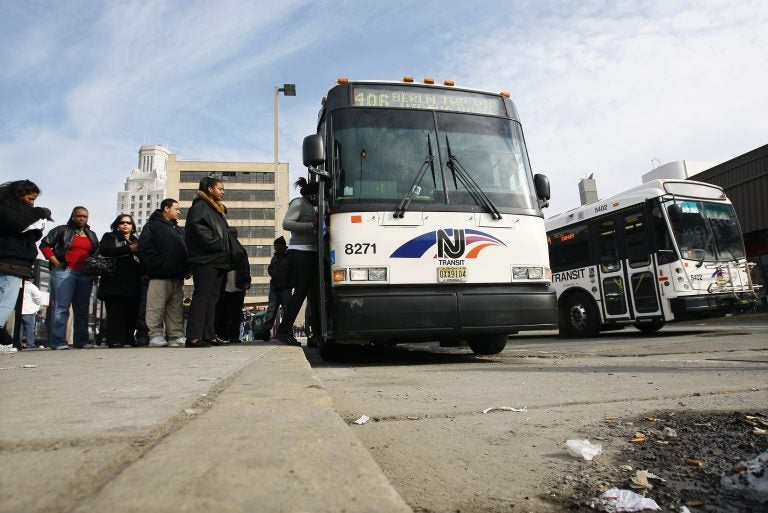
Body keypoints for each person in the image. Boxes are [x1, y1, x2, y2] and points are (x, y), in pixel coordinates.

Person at [0, 179, 52, 351]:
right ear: (19, 194)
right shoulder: (7, 208)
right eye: (30, 199)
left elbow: (29, 235)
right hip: (9, 260)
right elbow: (15, 223)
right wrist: (38, 212)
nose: (32, 203)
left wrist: (37, 229)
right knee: (6, 300)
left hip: (16, 259)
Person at [40, 206, 99, 350]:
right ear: (73, 216)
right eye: (79, 216)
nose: (82, 218)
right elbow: (44, 245)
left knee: (82, 309)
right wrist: (56, 262)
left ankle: (82, 341)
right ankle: (58, 341)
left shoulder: (91, 235)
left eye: (85, 216)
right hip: (65, 271)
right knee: (62, 307)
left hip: (84, 275)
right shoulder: (62, 230)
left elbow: (96, 253)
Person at [273, 178, 322, 347]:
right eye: (317, 194)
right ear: (311, 194)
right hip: (301, 252)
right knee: (300, 293)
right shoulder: (299, 203)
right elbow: (286, 223)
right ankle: (284, 331)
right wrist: (311, 224)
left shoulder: (312, 206)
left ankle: (315, 333)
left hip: (311, 252)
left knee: (314, 294)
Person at [184, 177, 232, 347]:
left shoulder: (214, 209)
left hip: (216, 259)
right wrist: (218, 244)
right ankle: (194, 337)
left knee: (212, 299)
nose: (223, 191)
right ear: (210, 189)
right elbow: (199, 230)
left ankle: (208, 335)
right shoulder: (200, 207)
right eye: (220, 188)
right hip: (205, 259)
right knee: (202, 297)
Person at [138, 198, 188, 348]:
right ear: (166, 208)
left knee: (175, 308)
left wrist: (186, 269)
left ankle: (175, 336)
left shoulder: (178, 230)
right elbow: (145, 250)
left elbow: (185, 251)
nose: (179, 212)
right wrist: (156, 268)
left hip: (177, 275)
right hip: (159, 275)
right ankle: (155, 335)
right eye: (176, 209)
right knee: (156, 307)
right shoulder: (152, 226)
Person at [97, 214, 142, 348]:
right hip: (113, 282)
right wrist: (129, 249)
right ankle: (115, 339)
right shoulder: (110, 237)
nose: (125, 225)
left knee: (132, 312)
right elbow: (105, 250)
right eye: (122, 222)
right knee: (116, 313)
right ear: (117, 224)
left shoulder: (136, 240)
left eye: (128, 223)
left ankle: (129, 338)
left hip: (133, 282)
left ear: (132, 226)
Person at [214, 228, 251, 343]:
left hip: (232, 286)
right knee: (232, 313)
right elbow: (246, 269)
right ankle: (230, 336)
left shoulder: (224, 249)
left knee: (225, 312)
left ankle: (226, 335)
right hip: (233, 286)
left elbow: (245, 269)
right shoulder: (240, 250)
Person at [257, 236, 291, 341]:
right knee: (271, 310)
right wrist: (274, 274)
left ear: (282, 246)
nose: (275, 248)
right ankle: (266, 331)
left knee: (287, 311)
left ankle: (287, 332)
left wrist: (290, 284)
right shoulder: (275, 257)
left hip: (285, 288)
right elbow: (270, 268)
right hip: (275, 288)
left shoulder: (290, 257)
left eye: (276, 246)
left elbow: (294, 272)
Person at [21, 280, 45, 349]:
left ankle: (18, 344)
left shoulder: (21, 286)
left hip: (21, 310)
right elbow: (38, 297)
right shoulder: (32, 286)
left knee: (20, 329)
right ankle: (30, 344)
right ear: (31, 279)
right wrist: (40, 303)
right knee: (30, 328)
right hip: (29, 311)